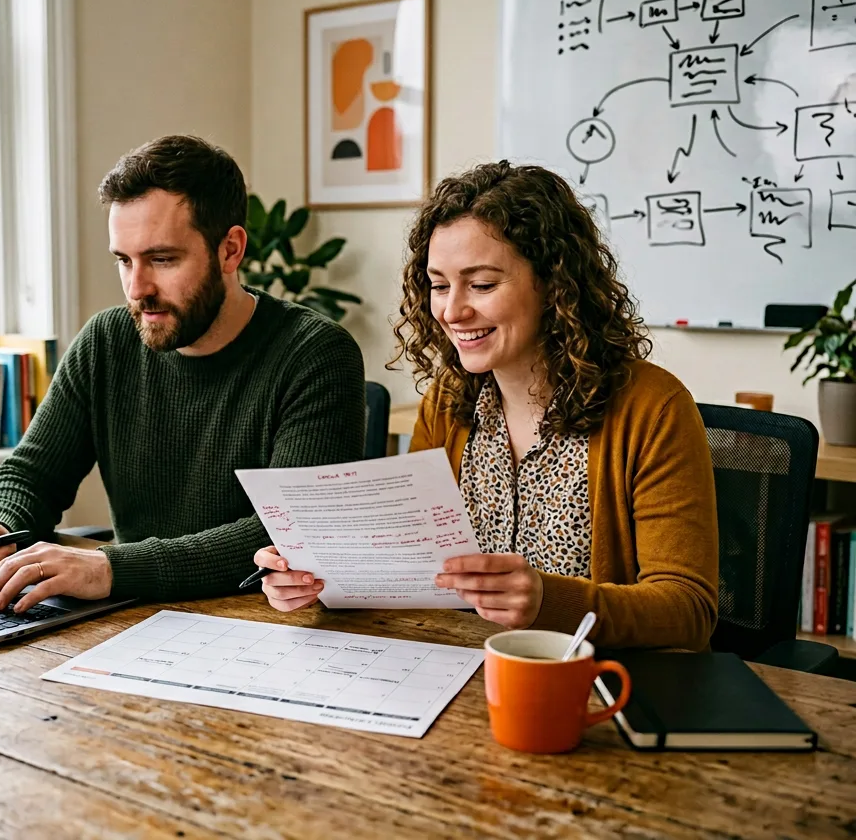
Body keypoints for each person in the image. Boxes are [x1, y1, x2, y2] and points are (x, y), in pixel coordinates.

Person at [254, 161, 719, 651]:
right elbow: (417, 569)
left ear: (555, 285)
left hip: (597, 685)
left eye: (481, 285)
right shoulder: (449, 402)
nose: (453, 311)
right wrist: (321, 579)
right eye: (439, 285)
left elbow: (688, 609)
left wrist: (547, 601)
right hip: (460, 670)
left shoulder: (654, 408)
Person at [0, 134, 366, 614]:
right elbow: (32, 473)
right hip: (130, 615)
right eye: (123, 261)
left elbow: (289, 530)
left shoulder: (315, 353)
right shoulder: (107, 341)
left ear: (230, 250)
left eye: (162, 259)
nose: (137, 288)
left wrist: (112, 568)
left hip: (263, 622)